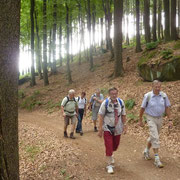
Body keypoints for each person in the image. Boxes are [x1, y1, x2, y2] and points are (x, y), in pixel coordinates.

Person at [139, 80, 172, 168]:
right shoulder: (148, 96)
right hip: (150, 118)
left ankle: (146, 150)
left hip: (160, 118)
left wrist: (170, 120)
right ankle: (157, 159)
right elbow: (142, 108)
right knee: (155, 137)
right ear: (152, 86)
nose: (157, 88)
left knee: (153, 136)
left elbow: (167, 107)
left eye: (159, 87)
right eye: (156, 87)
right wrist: (140, 119)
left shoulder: (164, 96)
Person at [98, 87, 127, 174]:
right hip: (107, 127)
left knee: (115, 145)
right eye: (112, 94)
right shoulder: (105, 103)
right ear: (109, 95)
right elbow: (101, 116)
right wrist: (100, 129)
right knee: (109, 146)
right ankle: (109, 165)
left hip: (118, 127)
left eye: (115, 94)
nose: (114, 95)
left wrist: (125, 125)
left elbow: (123, 114)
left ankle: (111, 154)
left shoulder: (121, 102)